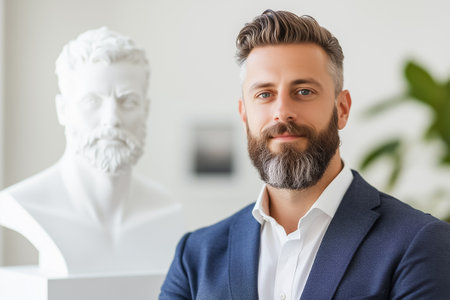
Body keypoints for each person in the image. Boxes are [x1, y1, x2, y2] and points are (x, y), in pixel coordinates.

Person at [159, 10, 450, 299]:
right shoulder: (195, 256)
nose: (282, 112)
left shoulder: (419, 242)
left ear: (342, 109)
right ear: (244, 114)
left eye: (304, 91)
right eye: (264, 94)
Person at [0, 27, 183, 276]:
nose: (112, 119)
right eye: (92, 102)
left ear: (146, 110)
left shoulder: (166, 210)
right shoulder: (21, 204)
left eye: (128, 102)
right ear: (62, 110)